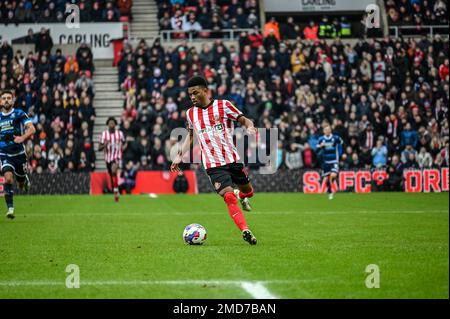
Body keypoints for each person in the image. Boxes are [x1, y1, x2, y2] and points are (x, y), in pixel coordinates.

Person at [170, 76, 258, 245]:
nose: (192, 97)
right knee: (228, 197)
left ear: (205, 90)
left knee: (249, 192)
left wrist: (250, 126)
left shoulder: (223, 106)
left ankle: (242, 195)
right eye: (190, 95)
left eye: (195, 93)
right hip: (213, 165)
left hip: (232, 159)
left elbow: (243, 119)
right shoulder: (190, 113)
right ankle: (245, 230)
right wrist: (179, 156)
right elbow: (191, 136)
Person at [0, 90, 36, 219]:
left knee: (20, 184)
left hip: (19, 154)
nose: (6, 100)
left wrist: (23, 138)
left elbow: (32, 128)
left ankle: (24, 179)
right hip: (4, 153)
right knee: (8, 178)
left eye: (9, 98)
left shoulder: (19, 113)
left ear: (13, 100)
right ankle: (10, 208)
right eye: (4, 98)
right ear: (0, 101)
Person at [98, 117, 124, 202]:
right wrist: (105, 145)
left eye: (113, 123)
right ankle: (116, 190)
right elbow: (99, 148)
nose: (112, 124)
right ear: (108, 124)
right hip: (108, 158)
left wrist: (121, 148)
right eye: (110, 123)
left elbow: (123, 143)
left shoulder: (120, 134)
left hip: (116, 156)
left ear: (115, 124)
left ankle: (116, 192)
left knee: (113, 171)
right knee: (112, 175)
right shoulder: (104, 134)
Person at [317, 124, 343, 200]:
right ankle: (330, 191)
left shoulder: (336, 138)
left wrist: (341, 154)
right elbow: (316, 150)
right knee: (327, 177)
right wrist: (320, 147)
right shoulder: (321, 139)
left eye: (329, 129)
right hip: (326, 161)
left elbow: (342, 144)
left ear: (330, 130)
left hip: (334, 160)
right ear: (323, 131)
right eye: (326, 130)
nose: (327, 131)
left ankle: (330, 189)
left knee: (333, 175)